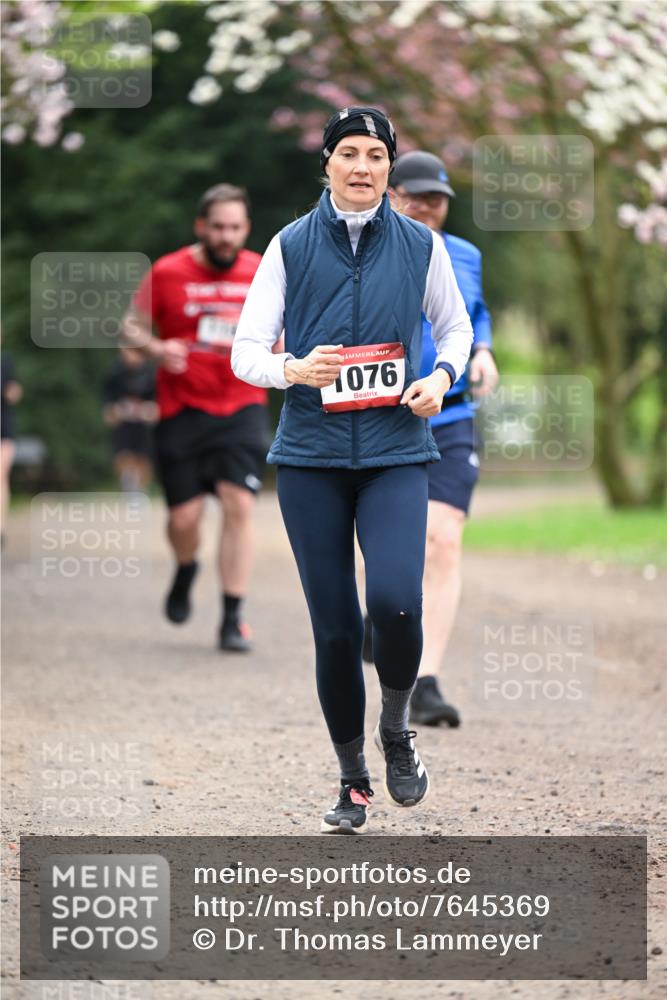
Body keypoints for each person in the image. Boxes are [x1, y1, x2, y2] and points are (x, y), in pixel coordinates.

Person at [232, 108, 473, 834]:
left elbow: (455, 328)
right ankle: (352, 780)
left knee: (396, 604)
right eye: (348, 153)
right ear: (328, 165)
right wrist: (290, 368)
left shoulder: (420, 246)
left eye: (375, 154)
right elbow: (245, 349)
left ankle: (395, 730)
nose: (362, 166)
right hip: (309, 460)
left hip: (397, 452)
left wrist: (440, 375)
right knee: (336, 631)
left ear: (389, 168)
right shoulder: (289, 244)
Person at [365, 150, 498, 728]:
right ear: (391, 195)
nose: (424, 205)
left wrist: (485, 350)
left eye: (435, 197)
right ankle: (381, 611)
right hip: (379, 414)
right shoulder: (365, 248)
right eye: (412, 193)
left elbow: (475, 313)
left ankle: (425, 681)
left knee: (443, 538)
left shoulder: (466, 255)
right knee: (383, 536)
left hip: (450, 413)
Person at [123, 184, 270, 652]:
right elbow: (130, 329)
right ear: (201, 227)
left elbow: (284, 327)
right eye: (218, 227)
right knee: (184, 519)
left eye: (235, 228)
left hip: (242, 404)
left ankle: (232, 616)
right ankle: (186, 568)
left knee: (239, 503)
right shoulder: (167, 271)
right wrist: (156, 348)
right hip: (182, 408)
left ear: (246, 229)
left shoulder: (262, 270)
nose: (226, 237)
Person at [102, 347, 157, 492]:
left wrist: (150, 410)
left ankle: (142, 488)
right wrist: (113, 411)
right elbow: (108, 402)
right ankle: (128, 488)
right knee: (123, 455)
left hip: (144, 423)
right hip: (123, 423)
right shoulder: (115, 373)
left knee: (143, 457)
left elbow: (159, 402)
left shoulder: (152, 374)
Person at [1, 351, 23, 545]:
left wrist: (12, 392)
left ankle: (1, 527)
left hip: (3, 429)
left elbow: (14, 392)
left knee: (0, 476)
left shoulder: (5, 361)